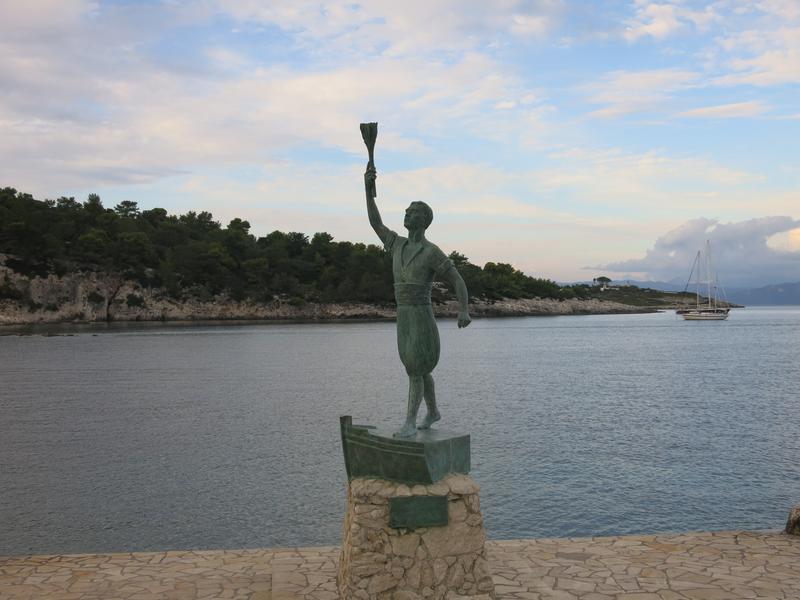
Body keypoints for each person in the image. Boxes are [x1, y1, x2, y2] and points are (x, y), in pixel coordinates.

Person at [364, 166, 471, 438]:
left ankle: (409, 422)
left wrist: (464, 310)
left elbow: (457, 280)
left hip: (422, 316)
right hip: (404, 317)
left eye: (412, 212)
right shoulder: (396, 244)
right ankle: (433, 412)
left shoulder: (431, 252)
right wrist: (368, 190)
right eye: (406, 211)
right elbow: (375, 223)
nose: (406, 214)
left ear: (423, 220)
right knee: (418, 370)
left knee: (415, 369)